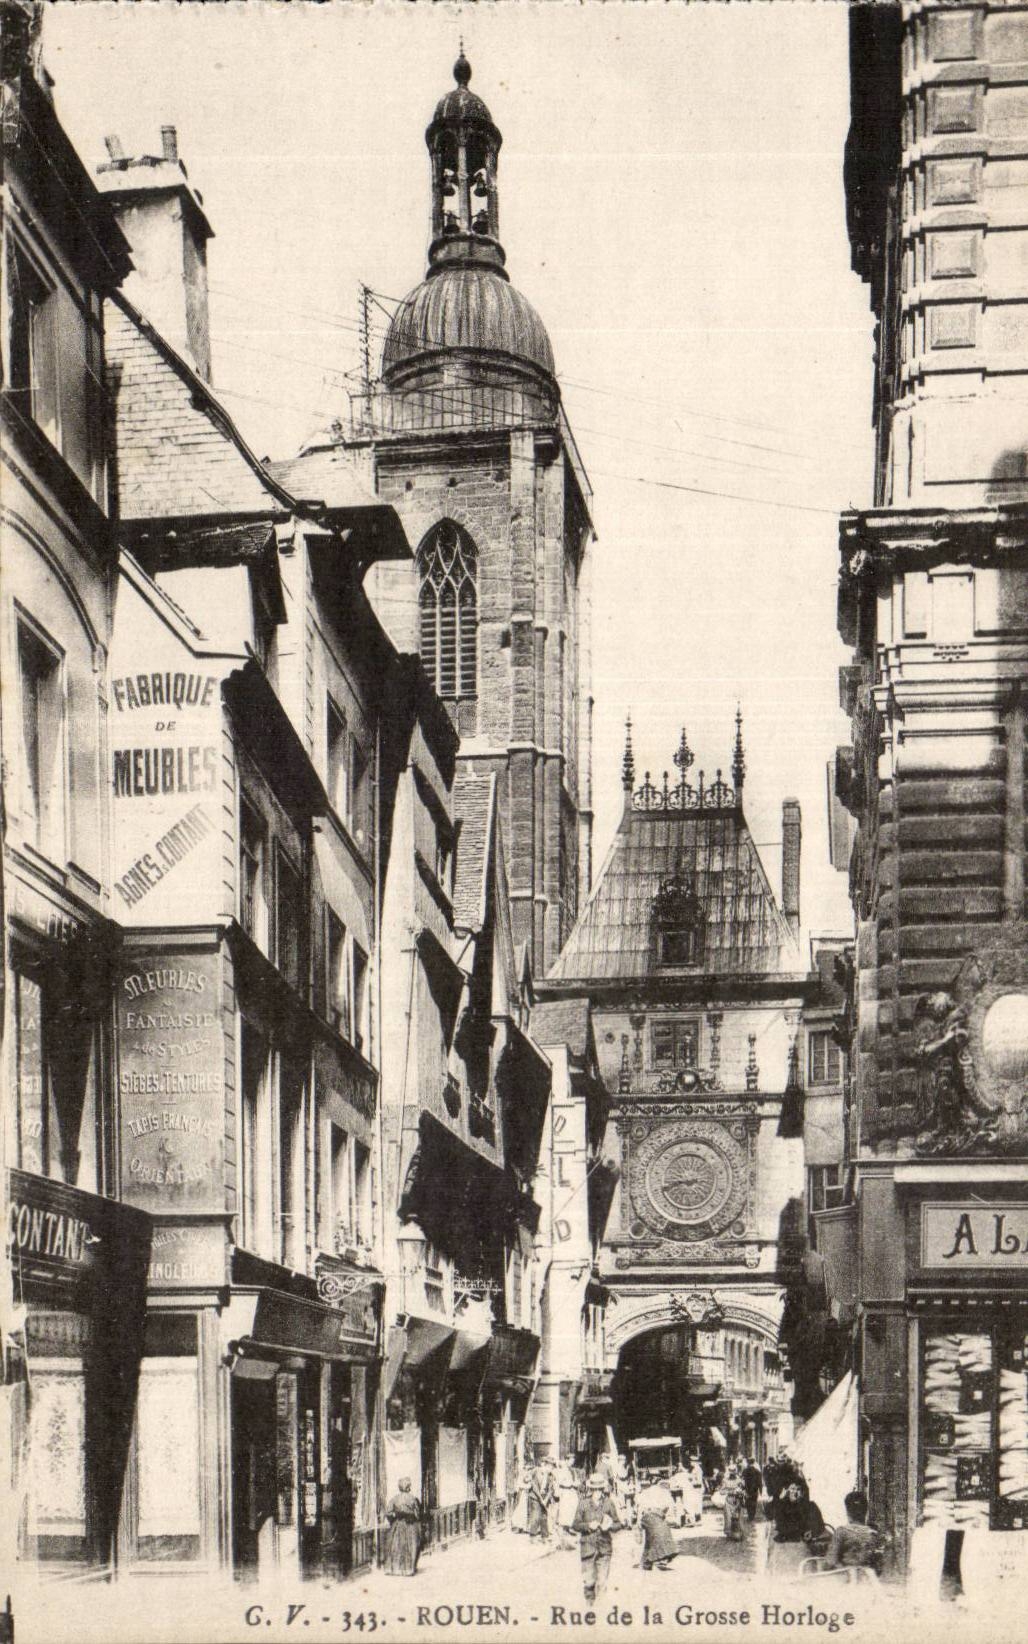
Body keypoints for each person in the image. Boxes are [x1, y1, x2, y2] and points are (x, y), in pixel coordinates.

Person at [572, 1471, 620, 1603]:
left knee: (602, 1583)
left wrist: (609, 1526)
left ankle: (600, 1611)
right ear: (591, 1489)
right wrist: (588, 1525)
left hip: (604, 1548)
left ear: (603, 1488)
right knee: (589, 1583)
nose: (598, 1492)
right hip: (588, 1547)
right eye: (595, 1489)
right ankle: (589, 1607)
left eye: (600, 1489)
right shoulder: (583, 1503)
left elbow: (618, 1524)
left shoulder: (609, 1503)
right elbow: (575, 1525)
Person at [824, 1491, 882, 1573]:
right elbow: (878, 1566)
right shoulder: (873, 1534)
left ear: (847, 1511)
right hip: (867, 1579)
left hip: (846, 1579)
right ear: (865, 1512)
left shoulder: (841, 1532)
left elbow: (830, 1561)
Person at [637, 1471, 679, 1571]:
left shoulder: (644, 1492)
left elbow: (639, 1508)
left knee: (650, 1536)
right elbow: (670, 1506)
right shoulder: (664, 1492)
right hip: (656, 1516)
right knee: (662, 1534)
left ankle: (646, 1561)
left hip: (646, 1517)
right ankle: (655, 1558)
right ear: (659, 1481)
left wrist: (638, 1521)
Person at [384, 1478, 421, 1576]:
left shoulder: (394, 1499)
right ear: (408, 1487)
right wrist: (411, 1516)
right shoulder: (413, 1499)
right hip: (410, 1525)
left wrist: (395, 1517)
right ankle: (408, 1569)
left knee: (396, 1546)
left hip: (398, 1525)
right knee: (410, 1546)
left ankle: (395, 1569)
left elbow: (388, 1513)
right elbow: (417, 1515)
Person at [555, 1456, 581, 1548]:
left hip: (571, 1492)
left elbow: (575, 1480)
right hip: (565, 1492)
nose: (572, 1462)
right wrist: (571, 1484)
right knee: (564, 1511)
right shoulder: (562, 1470)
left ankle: (567, 1528)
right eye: (571, 1461)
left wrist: (576, 1483)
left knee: (571, 1511)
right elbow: (560, 1482)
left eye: (573, 1461)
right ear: (566, 1460)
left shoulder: (571, 1470)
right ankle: (561, 1529)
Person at [526, 1456, 554, 1540]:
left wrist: (545, 1500)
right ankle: (533, 1536)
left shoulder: (551, 1476)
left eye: (552, 1467)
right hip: (534, 1497)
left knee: (544, 1516)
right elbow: (534, 1487)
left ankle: (544, 1536)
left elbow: (550, 1490)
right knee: (536, 1515)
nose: (551, 1469)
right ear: (544, 1465)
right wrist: (540, 1499)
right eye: (550, 1466)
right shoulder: (535, 1471)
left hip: (545, 1498)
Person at [614, 1454, 637, 1527]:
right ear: (620, 1460)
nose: (624, 1461)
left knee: (626, 1505)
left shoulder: (621, 1467)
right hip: (622, 1488)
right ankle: (626, 1521)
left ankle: (627, 1521)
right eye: (623, 1460)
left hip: (623, 1488)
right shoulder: (619, 1467)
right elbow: (622, 1477)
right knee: (624, 1506)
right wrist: (627, 1470)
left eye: (624, 1460)